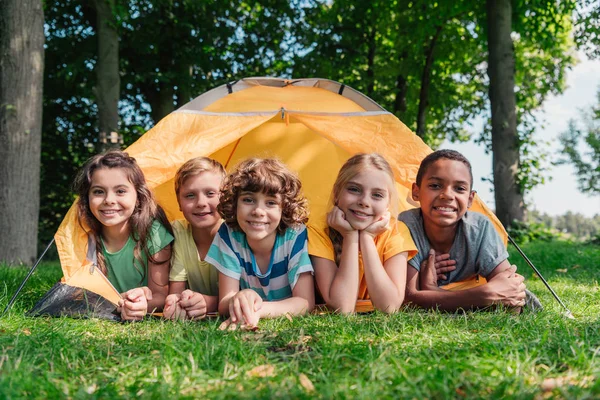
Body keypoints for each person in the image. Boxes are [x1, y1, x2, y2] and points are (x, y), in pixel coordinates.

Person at [398, 149, 531, 312]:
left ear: (470, 199)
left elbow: (511, 292)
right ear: (416, 191)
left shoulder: (479, 227)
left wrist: (431, 290)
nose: (447, 195)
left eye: (459, 188)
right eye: (435, 185)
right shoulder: (406, 225)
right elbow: (406, 299)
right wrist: (484, 295)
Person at [205, 158, 315, 329]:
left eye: (271, 203)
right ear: (235, 203)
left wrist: (258, 309)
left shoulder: (294, 235)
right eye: (248, 200)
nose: (258, 211)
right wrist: (239, 298)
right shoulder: (229, 234)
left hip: (269, 308)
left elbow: (305, 302)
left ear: (284, 208)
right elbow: (224, 302)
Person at [308, 153, 417, 313]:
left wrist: (367, 237)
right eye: (354, 189)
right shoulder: (318, 229)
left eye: (377, 195)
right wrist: (350, 237)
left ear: (387, 203)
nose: (364, 202)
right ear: (337, 193)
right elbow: (342, 307)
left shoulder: (397, 231)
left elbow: (389, 307)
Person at [73, 150, 173, 321]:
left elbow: (160, 296)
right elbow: (78, 292)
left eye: (120, 191)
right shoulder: (83, 235)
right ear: (87, 197)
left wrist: (140, 306)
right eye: (98, 192)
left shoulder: (154, 234)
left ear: (139, 197)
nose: (109, 200)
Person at [163, 157, 225, 320]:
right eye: (190, 195)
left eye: (210, 193)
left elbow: (240, 293)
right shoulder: (177, 232)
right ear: (179, 202)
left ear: (225, 197)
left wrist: (209, 302)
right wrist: (176, 302)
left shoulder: (235, 234)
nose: (201, 202)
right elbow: (176, 292)